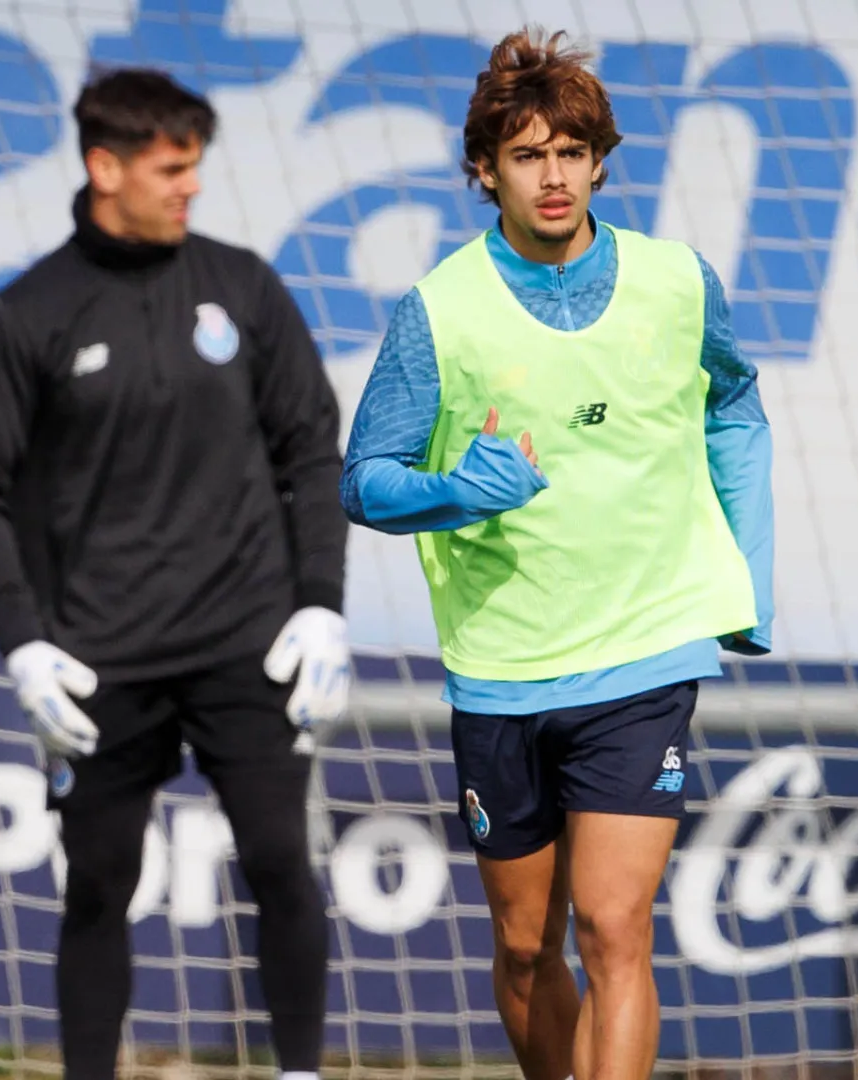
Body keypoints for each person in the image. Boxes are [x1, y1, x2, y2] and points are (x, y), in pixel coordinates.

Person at [339, 27, 775, 1080]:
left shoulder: (677, 282)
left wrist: (743, 573)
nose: (554, 175)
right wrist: (456, 493)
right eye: (528, 154)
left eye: (572, 150)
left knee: (615, 929)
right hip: (502, 666)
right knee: (526, 946)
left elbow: (737, 408)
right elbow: (365, 478)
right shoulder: (438, 310)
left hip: (646, 646)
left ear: (599, 161)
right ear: (484, 171)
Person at [0, 66, 348, 1080]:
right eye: (171, 170)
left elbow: (311, 449)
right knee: (97, 885)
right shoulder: (28, 315)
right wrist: (25, 644)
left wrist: (322, 608)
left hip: (245, 645)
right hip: (99, 662)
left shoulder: (243, 285)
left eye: (195, 169)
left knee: (282, 868)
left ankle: (297, 1074)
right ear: (103, 166)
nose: (189, 189)